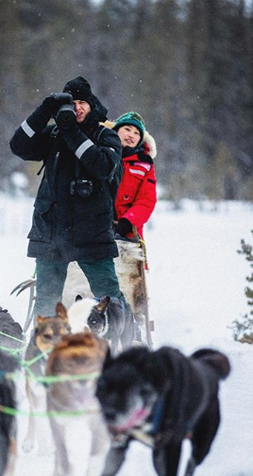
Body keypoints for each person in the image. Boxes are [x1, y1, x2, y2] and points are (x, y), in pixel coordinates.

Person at [10, 76, 127, 317]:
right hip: (51, 232)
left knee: (110, 299)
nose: (77, 107)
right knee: (46, 306)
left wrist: (71, 131)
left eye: (82, 101)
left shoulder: (106, 136)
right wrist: (43, 112)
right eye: (71, 102)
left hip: (92, 233)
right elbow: (18, 145)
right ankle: (44, 352)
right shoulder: (53, 136)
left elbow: (103, 166)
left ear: (92, 105)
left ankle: (123, 345)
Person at [112, 112, 157, 242]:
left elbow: (147, 200)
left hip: (130, 233)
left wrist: (127, 222)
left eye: (137, 133)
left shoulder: (145, 164)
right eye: (127, 129)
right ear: (116, 131)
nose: (131, 135)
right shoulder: (102, 154)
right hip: (96, 229)